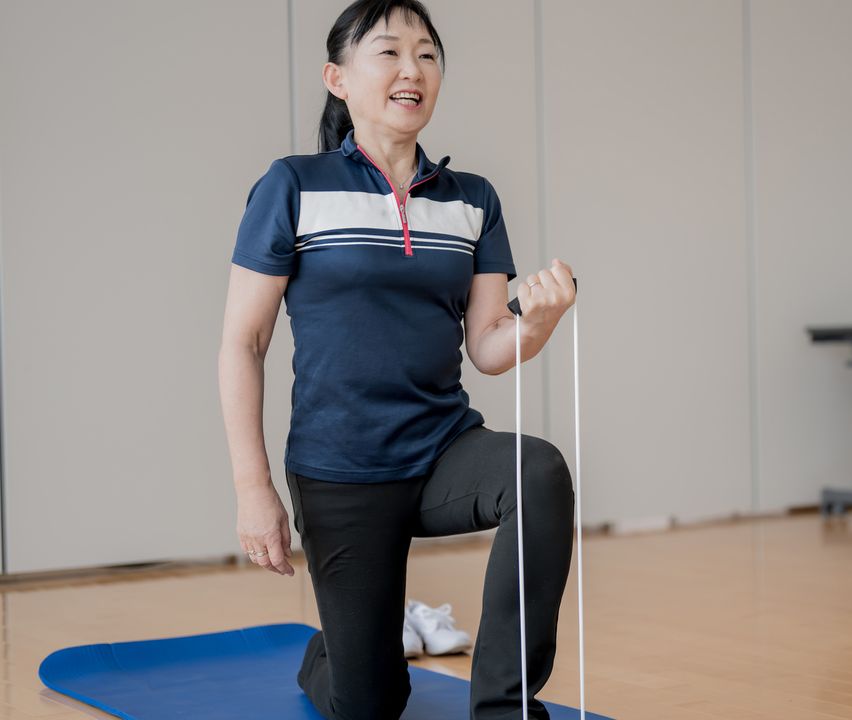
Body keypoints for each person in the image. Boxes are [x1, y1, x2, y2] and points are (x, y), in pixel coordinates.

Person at [216, 1, 577, 718]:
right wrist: (253, 490)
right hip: (340, 470)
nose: (412, 69)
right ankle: (332, 655)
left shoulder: (473, 201)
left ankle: (505, 708)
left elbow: (488, 346)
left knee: (537, 472)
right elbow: (243, 343)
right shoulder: (293, 186)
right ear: (338, 78)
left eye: (428, 54)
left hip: (442, 450)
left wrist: (539, 322)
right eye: (389, 52)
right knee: (373, 703)